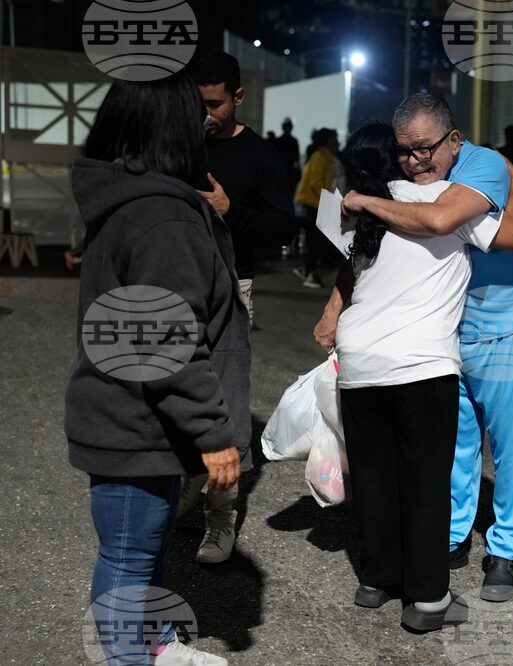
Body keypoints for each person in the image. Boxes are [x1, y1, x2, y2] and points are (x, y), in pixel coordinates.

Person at [313, 122, 513, 631]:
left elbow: (349, 270)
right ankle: (429, 600)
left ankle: (376, 581)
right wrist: (511, 175)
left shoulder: (354, 209)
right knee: (425, 482)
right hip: (420, 365)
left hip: (360, 361)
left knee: (374, 478)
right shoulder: (438, 201)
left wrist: (330, 313)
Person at [66, 72, 247, 666]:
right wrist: (214, 433)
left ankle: (158, 645)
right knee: (127, 558)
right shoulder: (161, 215)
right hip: (134, 423)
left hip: (137, 417)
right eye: (193, 114)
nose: (204, 123)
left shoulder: (131, 199)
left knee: (144, 550)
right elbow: (167, 341)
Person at [188, 48, 297, 564]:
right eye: (197, 105)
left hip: (233, 285)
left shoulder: (260, 155)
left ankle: (220, 517)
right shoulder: (181, 143)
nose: (205, 115)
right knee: (171, 392)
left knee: (224, 401)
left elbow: (283, 227)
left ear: (238, 96)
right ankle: (180, 493)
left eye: (214, 105)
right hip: (176, 284)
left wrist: (231, 210)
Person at [294, 128, 346, 288]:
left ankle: (308, 270)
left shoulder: (326, 157)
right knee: (315, 240)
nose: (338, 143)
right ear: (328, 141)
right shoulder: (320, 157)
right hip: (315, 204)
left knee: (314, 240)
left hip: (318, 203)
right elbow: (316, 183)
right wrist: (328, 202)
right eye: (335, 140)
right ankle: (310, 273)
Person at [273, 117, 302, 193]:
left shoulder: (278, 141)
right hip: (287, 174)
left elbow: (296, 159)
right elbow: (297, 160)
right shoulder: (293, 141)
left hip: (284, 173)